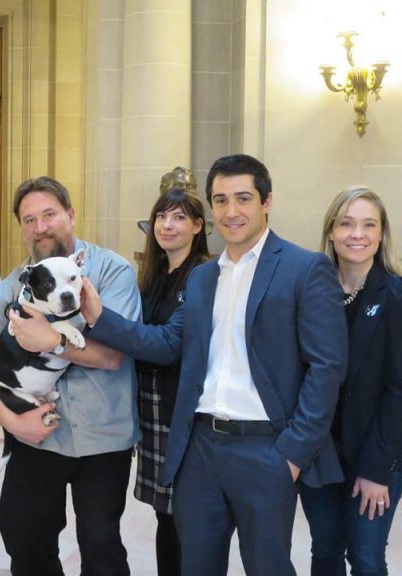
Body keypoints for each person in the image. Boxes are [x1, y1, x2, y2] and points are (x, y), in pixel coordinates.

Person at [81, 154, 348, 575]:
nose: (231, 211)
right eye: (220, 200)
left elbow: (327, 367)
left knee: (268, 568)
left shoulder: (304, 268)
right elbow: (168, 342)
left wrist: (293, 454)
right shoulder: (203, 277)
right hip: (200, 450)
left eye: (243, 198)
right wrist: (99, 317)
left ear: (267, 201)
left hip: (266, 449)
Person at [0, 176, 142, 575]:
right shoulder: (14, 287)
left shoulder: (111, 272)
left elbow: (113, 356)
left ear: (70, 215)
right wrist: (7, 420)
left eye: (49, 215)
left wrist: (52, 341)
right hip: (35, 434)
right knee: (23, 535)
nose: (40, 227)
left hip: (102, 435)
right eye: (29, 220)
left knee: (101, 544)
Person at [300, 186, 402, 576]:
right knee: (325, 550)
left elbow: (398, 391)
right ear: (330, 231)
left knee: (366, 557)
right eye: (346, 224)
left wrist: (377, 470)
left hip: (376, 453)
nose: (357, 234)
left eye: (368, 225)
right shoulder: (312, 292)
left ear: (381, 233)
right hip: (320, 452)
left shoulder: (395, 296)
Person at [134, 186, 210, 576]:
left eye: (179, 217)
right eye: (162, 217)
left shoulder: (204, 275)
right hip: (151, 407)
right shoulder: (152, 274)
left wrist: (101, 320)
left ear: (197, 226)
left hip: (181, 411)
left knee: (186, 516)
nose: (167, 225)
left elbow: (167, 344)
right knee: (164, 515)